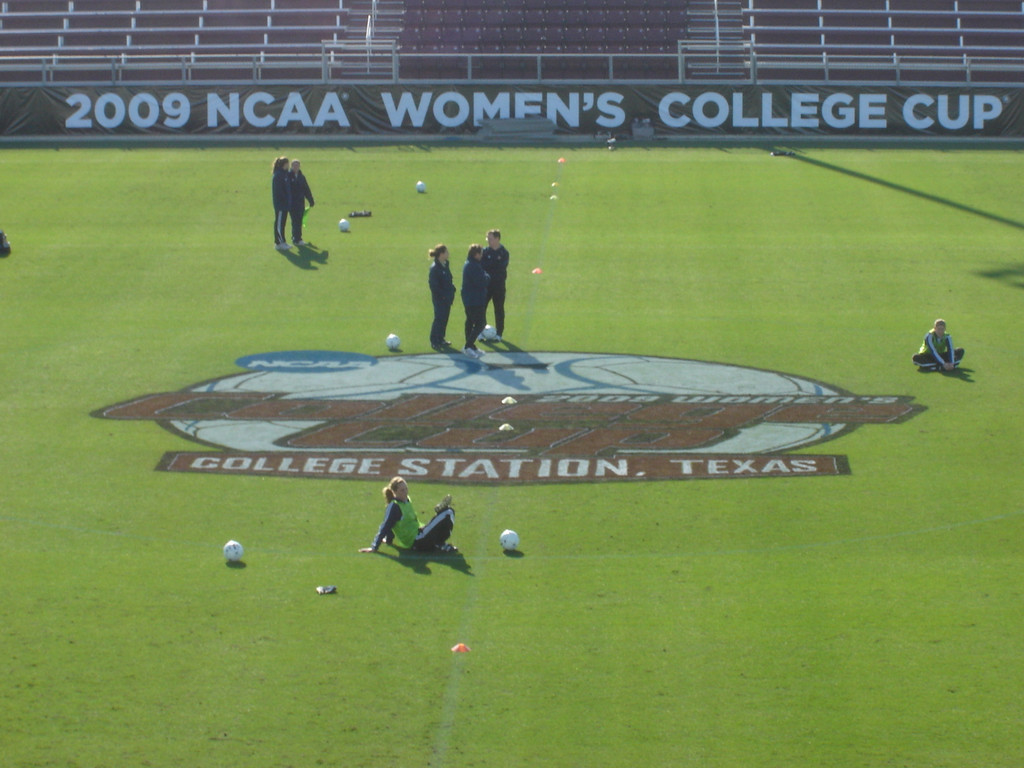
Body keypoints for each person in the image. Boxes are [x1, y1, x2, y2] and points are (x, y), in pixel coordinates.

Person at [358, 477, 457, 554]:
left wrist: (389, 540)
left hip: (421, 533)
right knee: (448, 513)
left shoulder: (407, 500)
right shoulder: (394, 507)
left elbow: (392, 527)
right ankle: (439, 540)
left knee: (448, 514)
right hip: (417, 540)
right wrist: (374, 546)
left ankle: (438, 543)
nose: (405, 492)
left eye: (406, 489)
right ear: (394, 492)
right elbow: (386, 525)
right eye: (402, 490)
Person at [481, 228, 510, 341]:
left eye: (490, 238)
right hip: (486, 286)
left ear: (497, 239)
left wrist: (490, 265)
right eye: (487, 238)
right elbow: (482, 266)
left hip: (499, 286)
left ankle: (499, 333)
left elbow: (501, 267)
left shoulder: (504, 252)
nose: (488, 240)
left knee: (499, 309)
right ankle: (481, 331)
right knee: (481, 308)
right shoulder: (484, 251)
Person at [461, 243, 489, 358]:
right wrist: (487, 276)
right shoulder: (473, 266)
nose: (482, 255)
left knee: (470, 322)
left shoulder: (471, 264)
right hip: (474, 299)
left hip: (471, 298)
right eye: (481, 253)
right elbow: (483, 280)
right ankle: (468, 346)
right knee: (481, 323)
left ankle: (470, 346)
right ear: (476, 254)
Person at [428, 243, 456, 351]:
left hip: (447, 297)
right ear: (441, 254)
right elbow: (434, 286)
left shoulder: (445, 264)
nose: (448, 254)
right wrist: (443, 296)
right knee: (439, 318)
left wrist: (452, 289)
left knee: (445, 318)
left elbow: (448, 279)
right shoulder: (435, 268)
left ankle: (441, 338)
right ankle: (434, 340)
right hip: (440, 299)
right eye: (446, 252)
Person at [287, 159, 315, 247]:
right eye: (294, 166)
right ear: (291, 166)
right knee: (295, 221)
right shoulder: (288, 176)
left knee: (299, 221)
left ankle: (298, 238)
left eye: (297, 166)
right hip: (291, 203)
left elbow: (306, 189)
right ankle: (296, 238)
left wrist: (310, 200)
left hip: (300, 203)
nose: (296, 167)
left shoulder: (301, 177)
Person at [271, 156, 291, 251]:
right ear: (284, 164)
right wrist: (284, 199)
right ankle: (278, 243)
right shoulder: (278, 175)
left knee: (283, 223)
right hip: (280, 204)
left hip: (285, 204)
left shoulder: (284, 174)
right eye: (288, 163)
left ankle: (283, 241)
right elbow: (279, 191)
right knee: (279, 223)